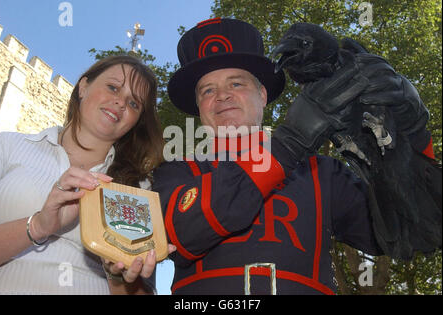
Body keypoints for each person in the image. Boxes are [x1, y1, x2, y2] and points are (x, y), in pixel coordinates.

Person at [152, 18, 440, 294]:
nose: (222, 95)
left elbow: (414, 233)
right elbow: (178, 232)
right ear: (199, 107)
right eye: (207, 90)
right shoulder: (173, 171)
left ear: (263, 95)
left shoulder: (322, 171)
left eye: (236, 83)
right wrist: (288, 145)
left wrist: (408, 141)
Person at [0, 55, 170, 294]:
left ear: (136, 121)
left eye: (134, 104)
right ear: (83, 86)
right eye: (113, 87)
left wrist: (116, 273)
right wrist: (38, 226)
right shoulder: (7, 146)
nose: (120, 103)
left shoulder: (139, 188)